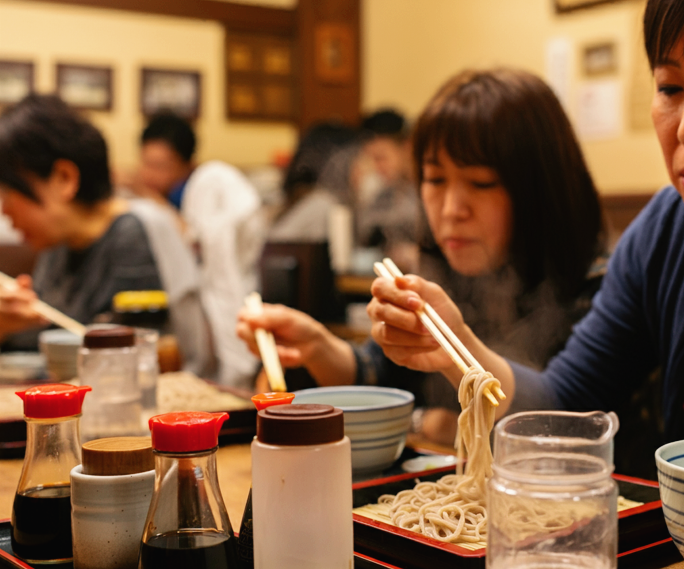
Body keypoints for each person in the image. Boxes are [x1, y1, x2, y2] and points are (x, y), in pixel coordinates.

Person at [365, 0, 684, 479]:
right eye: (671, 88)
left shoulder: (592, 272)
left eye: (480, 182)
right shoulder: (662, 234)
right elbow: (567, 405)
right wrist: (458, 349)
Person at [238, 68, 605, 442]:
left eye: (480, 183)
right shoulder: (452, 270)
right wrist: (316, 346)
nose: (450, 210)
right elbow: (381, 373)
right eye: (434, 179)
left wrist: (442, 415)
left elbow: (573, 417)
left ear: (539, 188)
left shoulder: (600, 284)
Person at [0, 94, 213, 377]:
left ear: (64, 178)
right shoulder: (58, 241)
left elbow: (138, 361)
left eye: (8, 194)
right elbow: (41, 344)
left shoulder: (134, 233)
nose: (5, 211)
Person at [136, 113, 264, 388]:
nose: (149, 174)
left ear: (186, 164)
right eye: (146, 163)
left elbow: (198, 243)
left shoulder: (203, 186)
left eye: (160, 165)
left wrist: (156, 202)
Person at [356, 108, 424, 272]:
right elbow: (364, 238)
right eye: (371, 159)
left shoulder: (429, 188)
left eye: (381, 158)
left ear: (407, 147)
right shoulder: (385, 193)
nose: (377, 167)